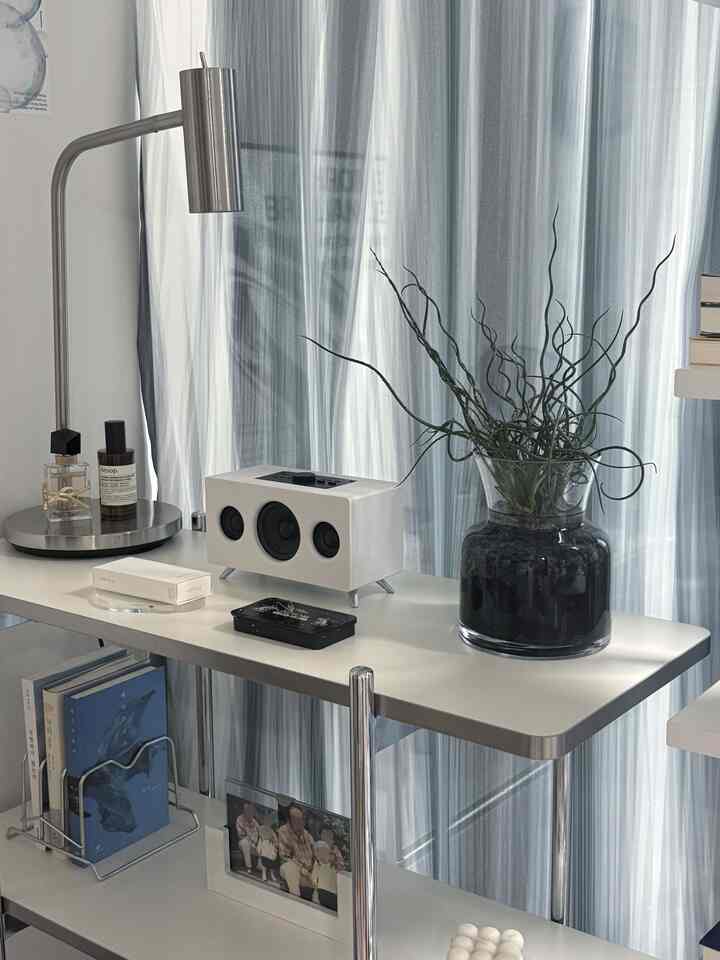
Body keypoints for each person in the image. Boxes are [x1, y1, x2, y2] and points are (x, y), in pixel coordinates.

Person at [278, 803, 316, 900]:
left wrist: (312, 869)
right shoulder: (283, 831)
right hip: (292, 868)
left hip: (309, 871)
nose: (300, 822)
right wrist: (301, 869)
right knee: (290, 867)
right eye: (296, 819)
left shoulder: (307, 835)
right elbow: (285, 857)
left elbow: (315, 855)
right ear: (289, 820)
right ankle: (296, 900)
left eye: (301, 819)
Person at [312, 840, 338, 911]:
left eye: (323, 850)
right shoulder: (316, 865)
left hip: (334, 896)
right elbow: (314, 882)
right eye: (316, 851)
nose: (317, 853)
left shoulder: (334, 866)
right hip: (322, 894)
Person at [235, 801, 261, 873]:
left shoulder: (254, 821)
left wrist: (257, 841)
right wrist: (249, 837)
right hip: (245, 842)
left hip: (255, 845)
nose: (248, 811)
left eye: (249, 809)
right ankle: (248, 867)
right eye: (246, 809)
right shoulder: (239, 819)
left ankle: (260, 866)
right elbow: (240, 835)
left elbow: (260, 832)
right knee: (244, 843)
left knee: (264, 844)